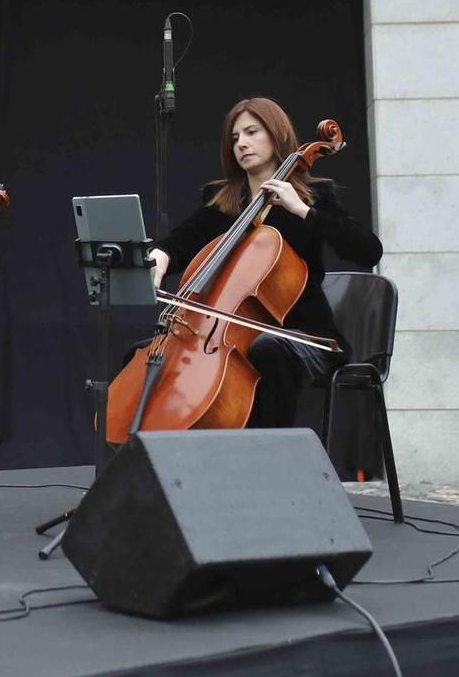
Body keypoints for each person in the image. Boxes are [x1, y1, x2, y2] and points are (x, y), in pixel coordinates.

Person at [148, 96, 383, 431]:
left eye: (251, 132)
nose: (241, 143)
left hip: (303, 334)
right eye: (234, 138)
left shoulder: (314, 196)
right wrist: (161, 255)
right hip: (230, 336)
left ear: (275, 136)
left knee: (267, 349)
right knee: (148, 355)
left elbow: (368, 250)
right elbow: (184, 238)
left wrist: (302, 211)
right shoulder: (224, 201)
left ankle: (274, 464)